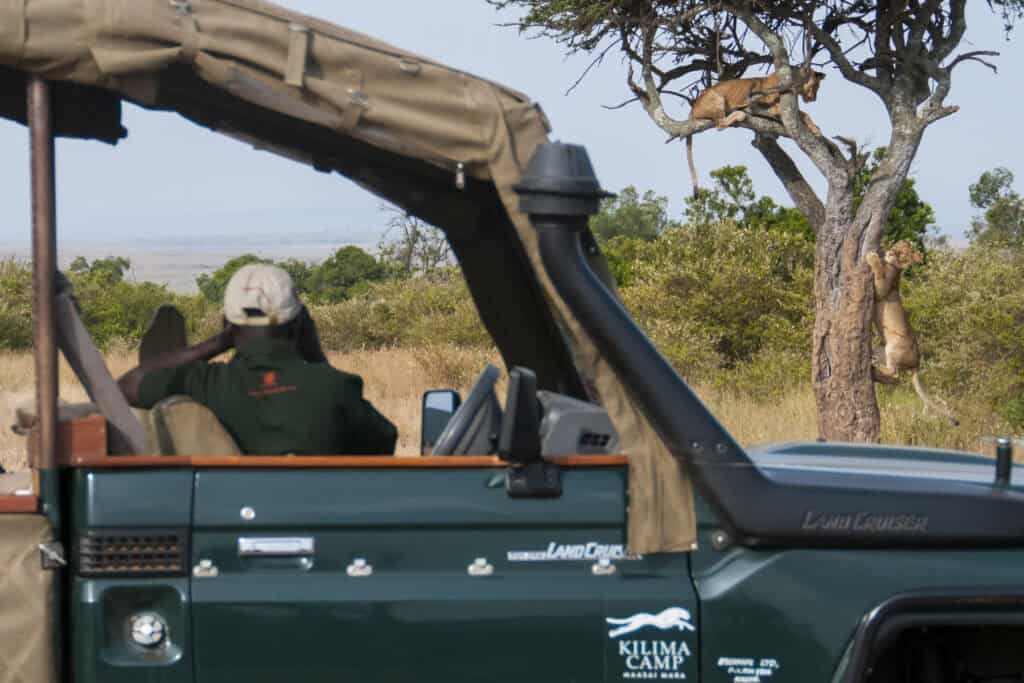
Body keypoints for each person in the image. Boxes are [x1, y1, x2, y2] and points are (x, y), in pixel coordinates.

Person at [118, 263, 397, 455]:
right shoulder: (334, 386)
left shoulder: (205, 384)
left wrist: (219, 341)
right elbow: (384, 443)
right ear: (299, 323)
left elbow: (125, 386)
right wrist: (317, 359)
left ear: (227, 321)